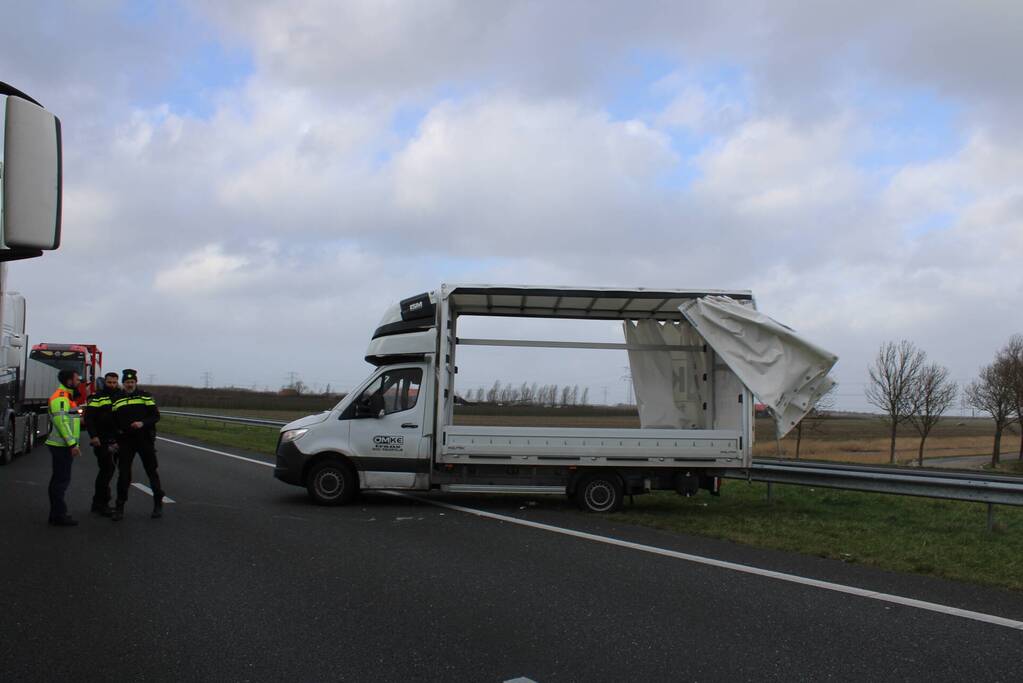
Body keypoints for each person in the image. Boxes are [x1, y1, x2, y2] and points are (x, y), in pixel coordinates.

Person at [112, 369, 164, 521]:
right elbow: (114, 420)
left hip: (144, 440)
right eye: (127, 382)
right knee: (123, 474)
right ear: (123, 383)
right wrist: (116, 437)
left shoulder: (145, 396)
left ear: (136, 383)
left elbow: (155, 416)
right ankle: (119, 507)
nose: (130, 385)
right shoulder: (117, 398)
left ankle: (157, 504)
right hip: (125, 441)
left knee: (151, 471)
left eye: (132, 382)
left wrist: (142, 423)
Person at [45, 369, 82, 527]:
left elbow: (72, 418)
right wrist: (72, 444)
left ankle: (56, 514)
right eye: (77, 379)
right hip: (61, 446)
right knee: (60, 481)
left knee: (59, 480)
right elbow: (62, 422)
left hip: (63, 445)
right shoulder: (61, 397)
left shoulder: (68, 397)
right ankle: (59, 515)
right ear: (69, 381)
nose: (79, 381)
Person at [83, 372, 122, 517]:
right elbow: (89, 418)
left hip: (117, 439)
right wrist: (93, 436)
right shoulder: (97, 397)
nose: (112, 385)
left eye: (114, 382)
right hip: (102, 440)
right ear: (104, 382)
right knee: (106, 470)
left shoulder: (121, 396)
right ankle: (102, 504)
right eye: (109, 382)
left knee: (110, 471)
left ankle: (97, 503)